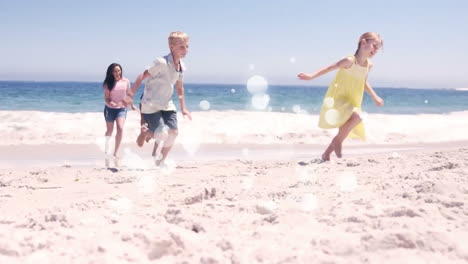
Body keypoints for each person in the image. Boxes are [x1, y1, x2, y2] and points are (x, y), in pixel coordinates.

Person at [298, 32, 384, 161]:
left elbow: (364, 82)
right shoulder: (349, 61)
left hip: (352, 100)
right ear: (363, 42)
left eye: (378, 48)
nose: (375, 50)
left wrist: (375, 96)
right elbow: (330, 67)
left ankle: (327, 153)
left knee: (356, 119)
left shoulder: (368, 65)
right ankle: (334, 145)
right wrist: (311, 76)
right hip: (338, 98)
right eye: (374, 45)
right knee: (358, 117)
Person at [129, 31, 192, 165]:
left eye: (187, 46)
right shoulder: (160, 62)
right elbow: (142, 75)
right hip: (150, 104)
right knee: (162, 134)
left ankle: (160, 161)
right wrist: (131, 94)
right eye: (181, 47)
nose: (185, 50)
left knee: (174, 132)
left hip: (167, 104)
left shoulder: (182, 67)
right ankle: (146, 133)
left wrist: (184, 108)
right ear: (172, 47)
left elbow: (180, 87)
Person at [103, 63, 134, 158]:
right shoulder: (107, 84)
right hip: (110, 109)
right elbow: (107, 99)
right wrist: (112, 103)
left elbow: (129, 94)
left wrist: (132, 105)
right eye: (115, 71)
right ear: (111, 73)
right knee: (109, 131)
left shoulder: (126, 81)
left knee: (120, 128)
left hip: (122, 109)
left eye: (119, 70)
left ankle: (115, 152)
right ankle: (107, 147)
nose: (117, 73)